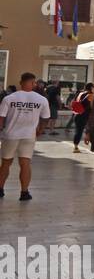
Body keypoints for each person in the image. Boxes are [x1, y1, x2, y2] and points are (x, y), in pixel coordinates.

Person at [0, 72, 51, 200]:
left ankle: (0, 189)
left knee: (6, 163)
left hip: (11, 134)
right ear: (33, 83)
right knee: (25, 163)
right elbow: (46, 117)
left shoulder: (9, 98)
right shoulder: (41, 99)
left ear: (21, 82)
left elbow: (1, 117)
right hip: (29, 135)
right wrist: (40, 129)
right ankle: (24, 192)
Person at [70, 81, 94, 153]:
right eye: (93, 87)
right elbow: (91, 106)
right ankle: (93, 146)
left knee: (78, 131)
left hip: (78, 114)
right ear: (90, 87)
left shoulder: (80, 93)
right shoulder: (90, 95)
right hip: (86, 115)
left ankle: (75, 147)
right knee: (91, 131)